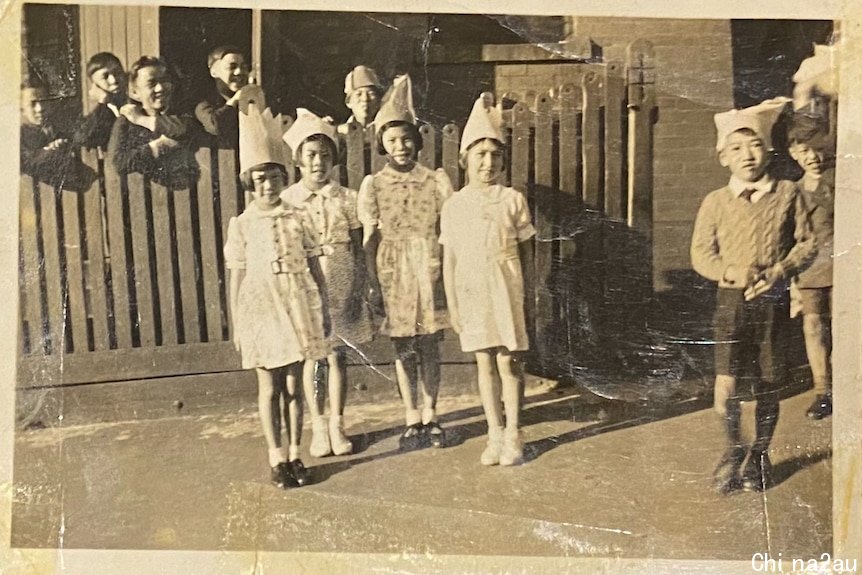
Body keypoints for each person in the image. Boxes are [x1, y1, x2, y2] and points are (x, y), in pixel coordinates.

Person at [690, 98, 816, 494]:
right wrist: (729, 271)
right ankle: (733, 449)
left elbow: (808, 243)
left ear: (768, 150)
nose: (747, 155)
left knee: (768, 384)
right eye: (736, 148)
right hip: (731, 306)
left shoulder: (788, 193)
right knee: (724, 388)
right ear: (722, 156)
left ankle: (759, 455)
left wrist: (780, 271)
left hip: (773, 303)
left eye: (755, 145)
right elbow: (700, 253)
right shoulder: (715, 202)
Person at [224, 104, 330, 488]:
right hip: (261, 306)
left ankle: (295, 454)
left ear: (284, 178)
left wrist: (325, 307)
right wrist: (238, 322)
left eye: (274, 177)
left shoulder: (298, 217)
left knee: (294, 385)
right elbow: (237, 276)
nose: (268, 186)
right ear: (250, 184)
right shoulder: (243, 224)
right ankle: (275, 457)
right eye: (260, 180)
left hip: (296, 302)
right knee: (269, 386)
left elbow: (316, 267)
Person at [358, 75, 454, 451]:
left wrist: (443, 270)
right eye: (392, 139)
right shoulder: (374, 185)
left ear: (417, 140)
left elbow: (446, 230)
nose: (400, 146)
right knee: (403, 346)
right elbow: (369, 237)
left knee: (429, 344)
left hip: (427, 262)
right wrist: (371, 279)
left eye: (406, 138)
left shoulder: (435, 180)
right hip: (393, 268)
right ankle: (411, 415)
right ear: (382, 143)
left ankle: (432, 414)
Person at [440, 94, 536, 466]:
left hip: (506, 284)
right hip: (471, 288)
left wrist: (527, 290)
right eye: (480, 155)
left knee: (509, 360)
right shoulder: (455, 204)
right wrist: (452, 303)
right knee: (483, 362)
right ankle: (493, 432)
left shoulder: (512, 199)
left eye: (495, 155)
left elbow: (527, 251)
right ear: (465, 159)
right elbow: (450, 259)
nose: (488, 162)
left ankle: (514, 431)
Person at [281, 109, 374, 457]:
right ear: (298, 160)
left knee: (338, 356)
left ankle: (337, 423)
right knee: (314, 357)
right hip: (307, 284)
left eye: (324, 155)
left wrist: (358, 287)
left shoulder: (347, 199)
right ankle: (318, 426)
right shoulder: (289, 201)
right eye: (311, 155)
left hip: (342, 278)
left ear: (333, 159)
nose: (318, 162)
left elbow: (359, 245)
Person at [787, 113, 835, 420]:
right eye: (803, 151)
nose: (812, 157)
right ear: (793, 153)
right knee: (814, 326)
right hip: (812, 269)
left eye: (816, 148)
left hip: (846, 265)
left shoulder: (843, 181)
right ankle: (822, 391)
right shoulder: (793, 191)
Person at [108, 56, 200, 189]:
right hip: (143, 198)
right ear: (135, 93)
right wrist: (155, 148)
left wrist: (141, 120)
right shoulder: (125, 122)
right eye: (151, 83)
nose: (160, 88)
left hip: (190, 198)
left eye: (164, 81)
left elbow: (184, 128)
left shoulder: (182, 112)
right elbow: (118, 162)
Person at [20, 83, 95, 191]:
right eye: (33, 104)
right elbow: (25, 164)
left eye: (43, 101)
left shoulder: (61, 129)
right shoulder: (20, 137)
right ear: (22, 109)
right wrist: (48, 151)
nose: (40, 108)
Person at [195, 46, 265, 149]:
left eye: (243, 67)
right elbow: (215, 125)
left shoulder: (253, 101)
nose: (239, 72)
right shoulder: (204, 103)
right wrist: (236, 99)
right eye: (232, 67)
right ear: (214, 72)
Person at [73, 52, 126, 151]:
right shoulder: (99, 115)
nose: (113, 80)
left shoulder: (138, 102)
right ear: (95, 85)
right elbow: (84, 138)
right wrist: (102, 102)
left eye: (117, 73)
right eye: (105, 77)